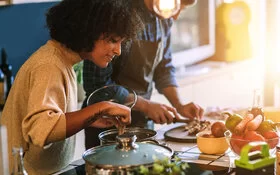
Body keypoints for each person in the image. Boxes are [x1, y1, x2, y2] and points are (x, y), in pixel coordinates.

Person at [0, 0, 143, 174]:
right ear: (87, 30)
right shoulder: (49, 64)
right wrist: (102, 107)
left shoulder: (63, 61)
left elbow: (54, 117)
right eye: (113, 40)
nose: (118, 51)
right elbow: (41, 129)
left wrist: (88, 119)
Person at [82, 0, 204, 149]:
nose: (176, 16)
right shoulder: (116, 12)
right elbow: (98, 86)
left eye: (181, 10)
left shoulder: (164, 20)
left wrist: (179, 105)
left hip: (142, 122)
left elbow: (164, 69)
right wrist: (145, 105)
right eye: (176, 7)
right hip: (107, 124)